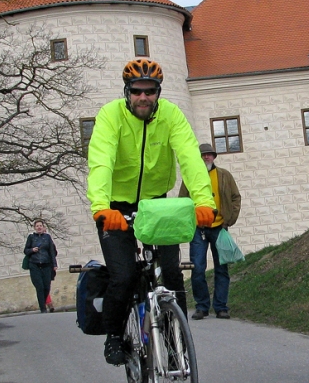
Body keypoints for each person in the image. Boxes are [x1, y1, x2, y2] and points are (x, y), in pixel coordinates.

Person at [87, 58, 216, 366]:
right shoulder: (110, 116)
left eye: (150, 91)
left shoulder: (171, 116)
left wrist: (204, 202)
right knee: (124, 275)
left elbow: (189, 157)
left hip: (157, 203)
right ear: (127, 92)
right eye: (136, 91)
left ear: (158, 92)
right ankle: (115, 336)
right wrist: (102, 207)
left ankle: (175, 345)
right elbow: (101, 160)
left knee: (171, 275)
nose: (143, 97)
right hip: (116, 206)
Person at [178, 143, 242, 320]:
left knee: (222, 269)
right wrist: (188, 222)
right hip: (198, 229)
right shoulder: (191, 177)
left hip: (220, 227)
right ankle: (202, 306)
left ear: (214, 157)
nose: (206, 157)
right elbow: (182, 200)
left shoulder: (224, 175)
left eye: (209, 154)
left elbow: (235, 197)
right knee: (197, 269)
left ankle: (221, 307)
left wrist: (230, 219)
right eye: (203, 155)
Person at [24, 219, 58, 313]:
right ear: (35, 228)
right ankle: (43, 308)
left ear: (43, 228)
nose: (39, 227)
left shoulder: (47, 237)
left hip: (46, 265)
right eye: (37, 226)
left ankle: (44, 304)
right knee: (39, 287)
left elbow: (52, 252)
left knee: (47, 286)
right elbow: (26, 250)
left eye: (40, 226)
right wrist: (32, 250)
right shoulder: (31, 237)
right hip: (34, 264)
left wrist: (54, 264)